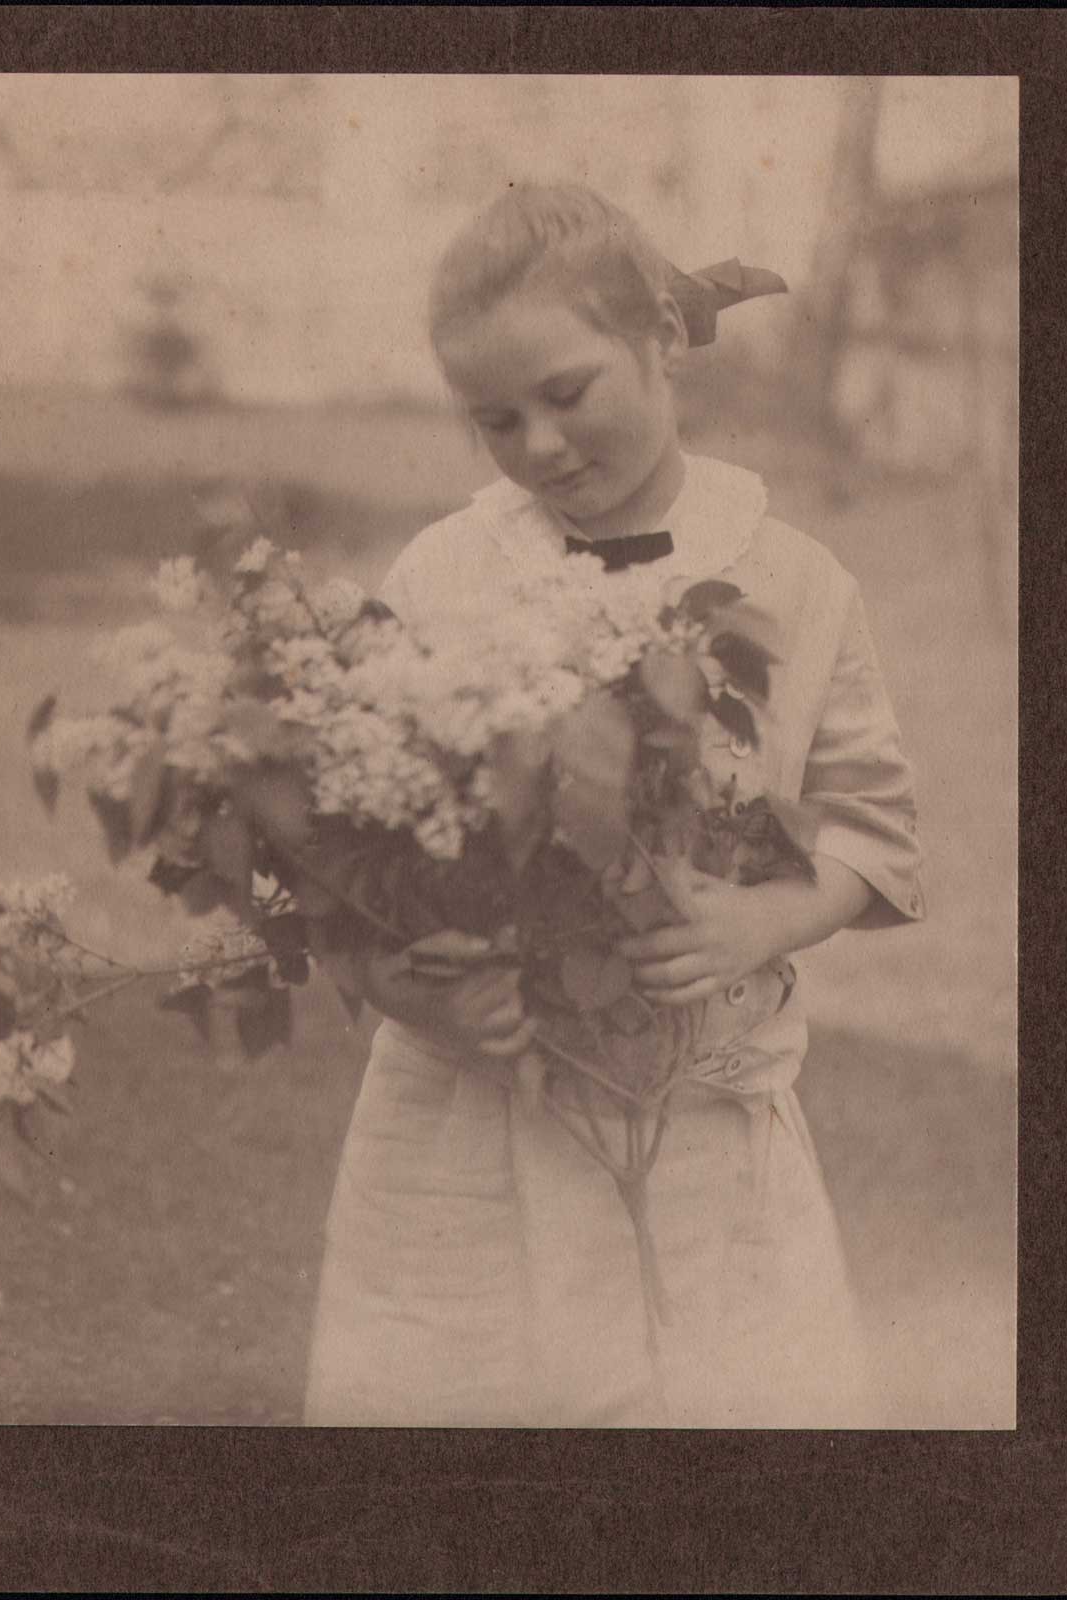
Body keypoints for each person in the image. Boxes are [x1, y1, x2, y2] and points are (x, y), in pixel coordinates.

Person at [302, 183, 924, 1427]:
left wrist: (763, 924)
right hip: (465, 1123)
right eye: (495, 420)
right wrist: (407, 988)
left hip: (695, 1110)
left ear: (663, 340)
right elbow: (336, 858)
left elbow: (870, 821)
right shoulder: (443, 574)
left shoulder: (793, 583)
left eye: (567, 393)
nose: (536, 445)